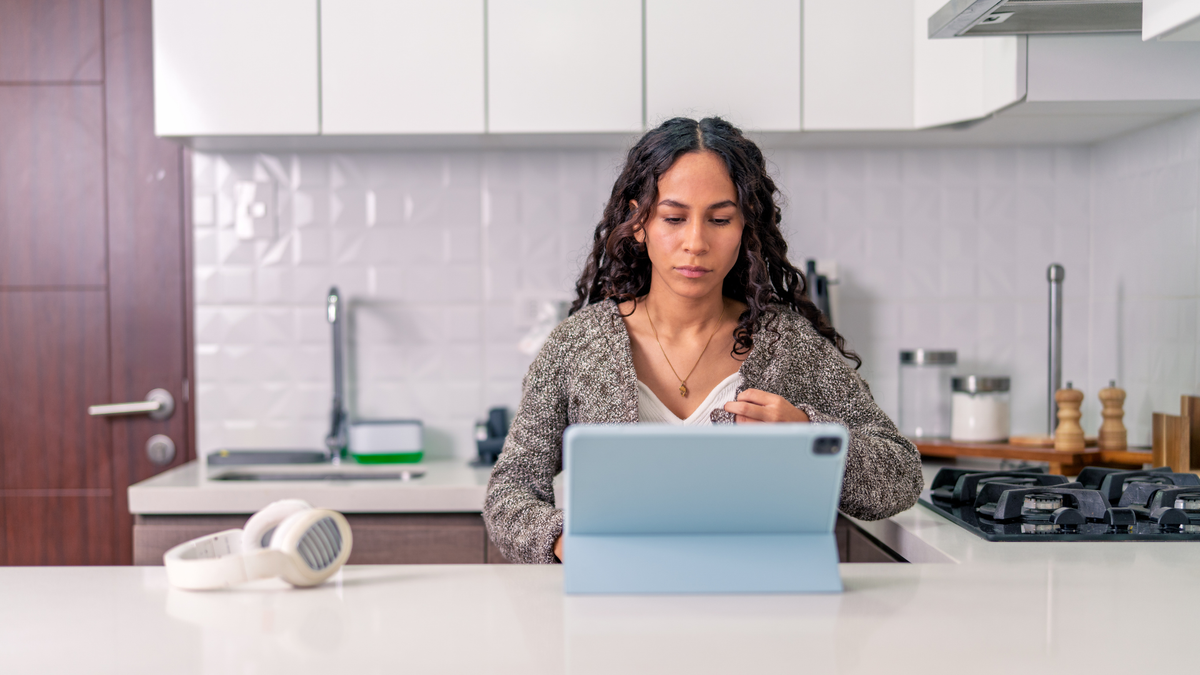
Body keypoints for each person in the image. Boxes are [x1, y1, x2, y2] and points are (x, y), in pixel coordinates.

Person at [483, 117, 922, 564]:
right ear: (639, 222)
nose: (695, 242)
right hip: (617, 610)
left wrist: (810, 436)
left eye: (719, 219)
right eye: (674, 218)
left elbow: (900, 475)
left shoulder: (787, 345)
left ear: (744, 227)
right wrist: (563, 540)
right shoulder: (577, 347)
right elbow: (511, 488)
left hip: (764, 610)